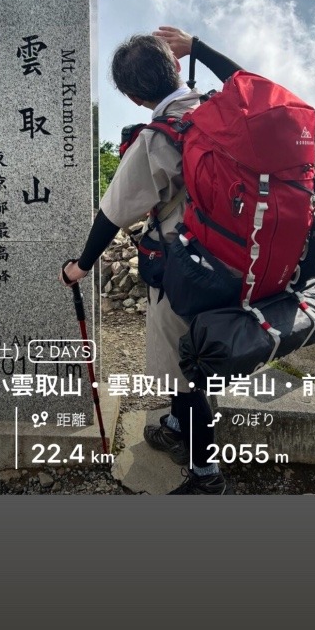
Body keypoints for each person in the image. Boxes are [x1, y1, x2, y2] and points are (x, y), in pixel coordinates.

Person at [59, 26, 242, 494]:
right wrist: (199, 46)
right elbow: (252, 84)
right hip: (241, 258)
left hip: (188, 271)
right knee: (195, 357)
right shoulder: (222, 108)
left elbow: (112, 213)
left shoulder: (156, 139)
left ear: (136, 97)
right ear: (176, 66)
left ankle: (206, 477)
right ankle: (178, 431)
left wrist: (80, 266)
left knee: (186, 374)